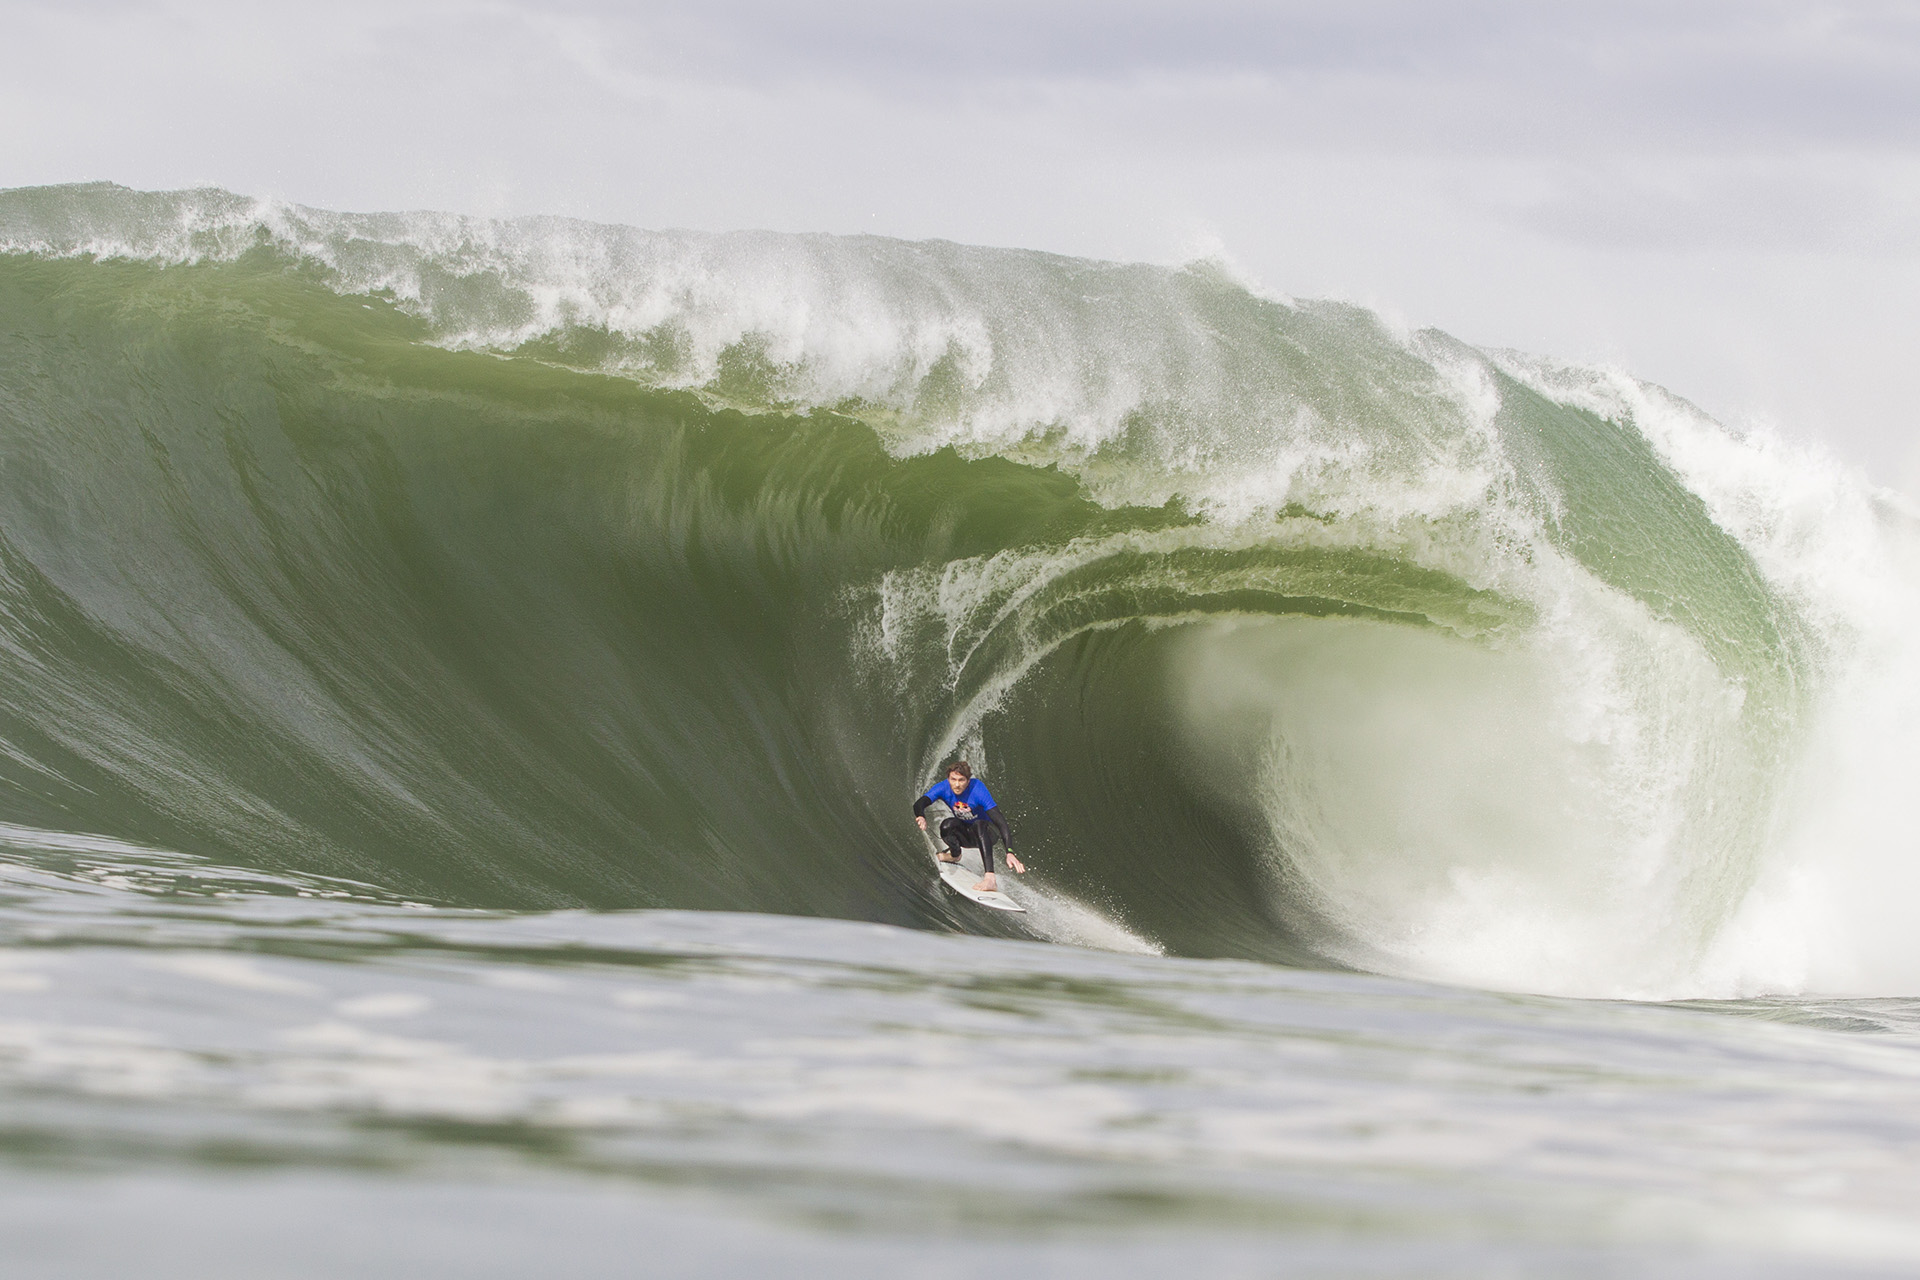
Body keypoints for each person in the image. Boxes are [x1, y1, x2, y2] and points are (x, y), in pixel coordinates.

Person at [914, 761, 1025, 893]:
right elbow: (920, 803)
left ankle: (990, 878)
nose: (957, 784)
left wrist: (1009, 852)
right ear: (948, 778)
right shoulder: (943, 787)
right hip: (967, 834)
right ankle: (955, 855)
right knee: (947, 825)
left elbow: (1001, 822)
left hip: (987, 833)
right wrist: (920, 815)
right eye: (953, 779)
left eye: (961, 780)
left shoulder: (977, 789)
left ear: (968, 780)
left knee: (979, 824)